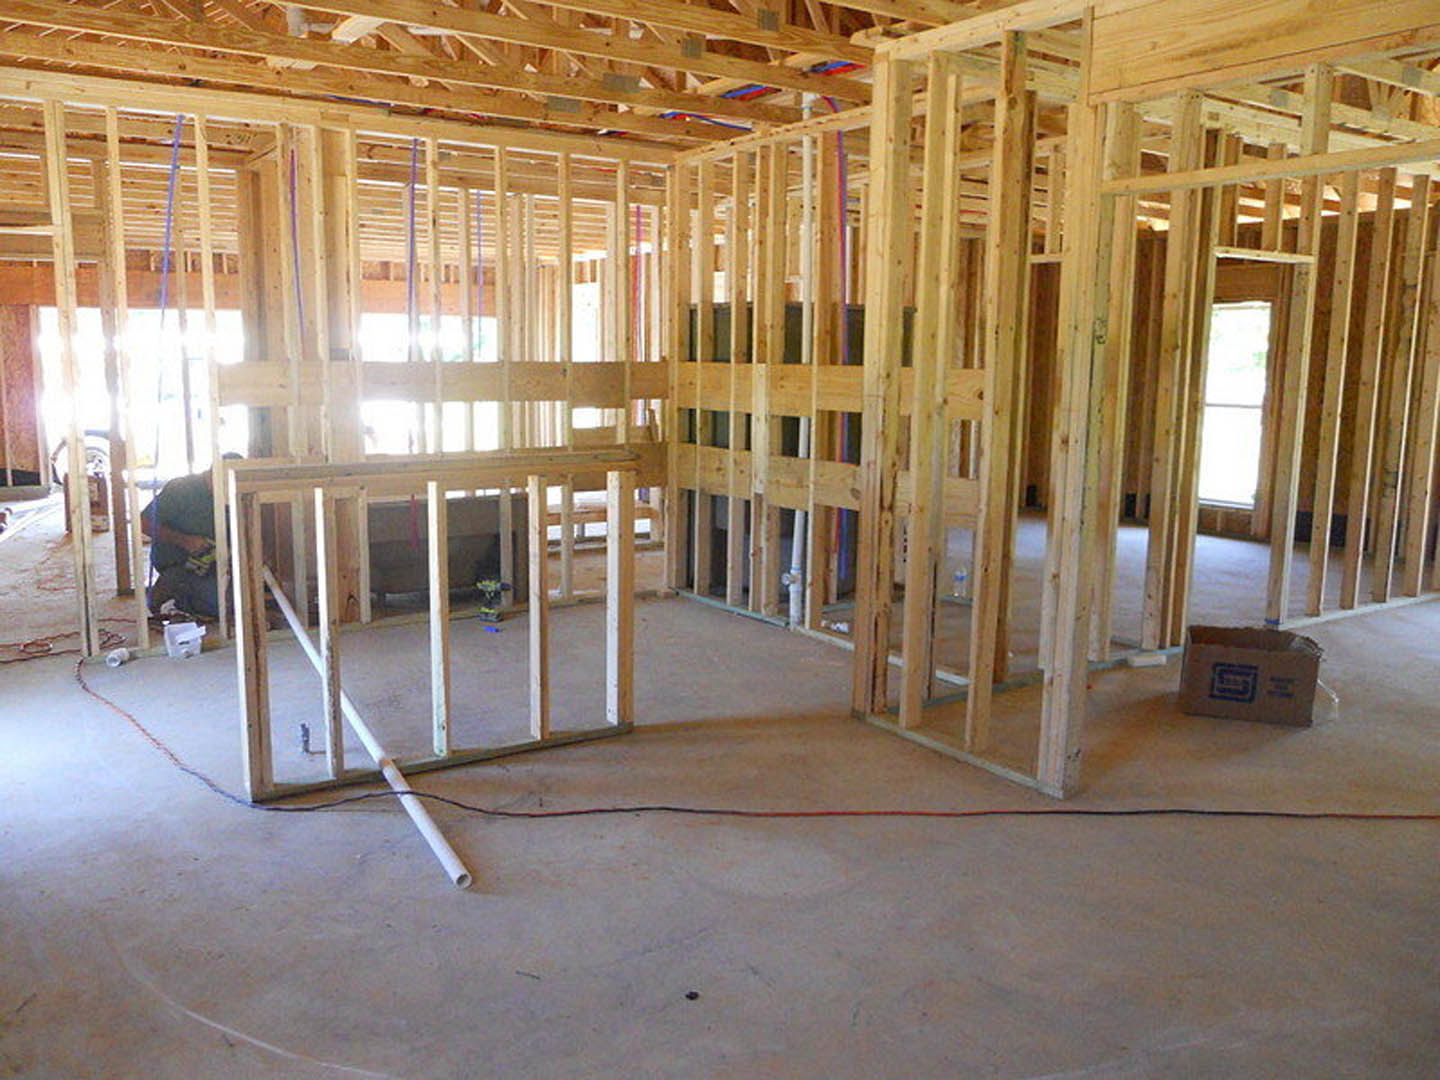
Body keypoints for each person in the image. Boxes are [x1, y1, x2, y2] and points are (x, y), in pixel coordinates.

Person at [140, 454, 240, 618]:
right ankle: (171, 589)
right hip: (178, 563)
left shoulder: (234, 492)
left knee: (236, 606)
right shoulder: (181, 489)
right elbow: (143, 523)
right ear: (212, 473)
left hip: (212, 566)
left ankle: (188, 592)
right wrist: (185, 541)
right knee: (218, 607)